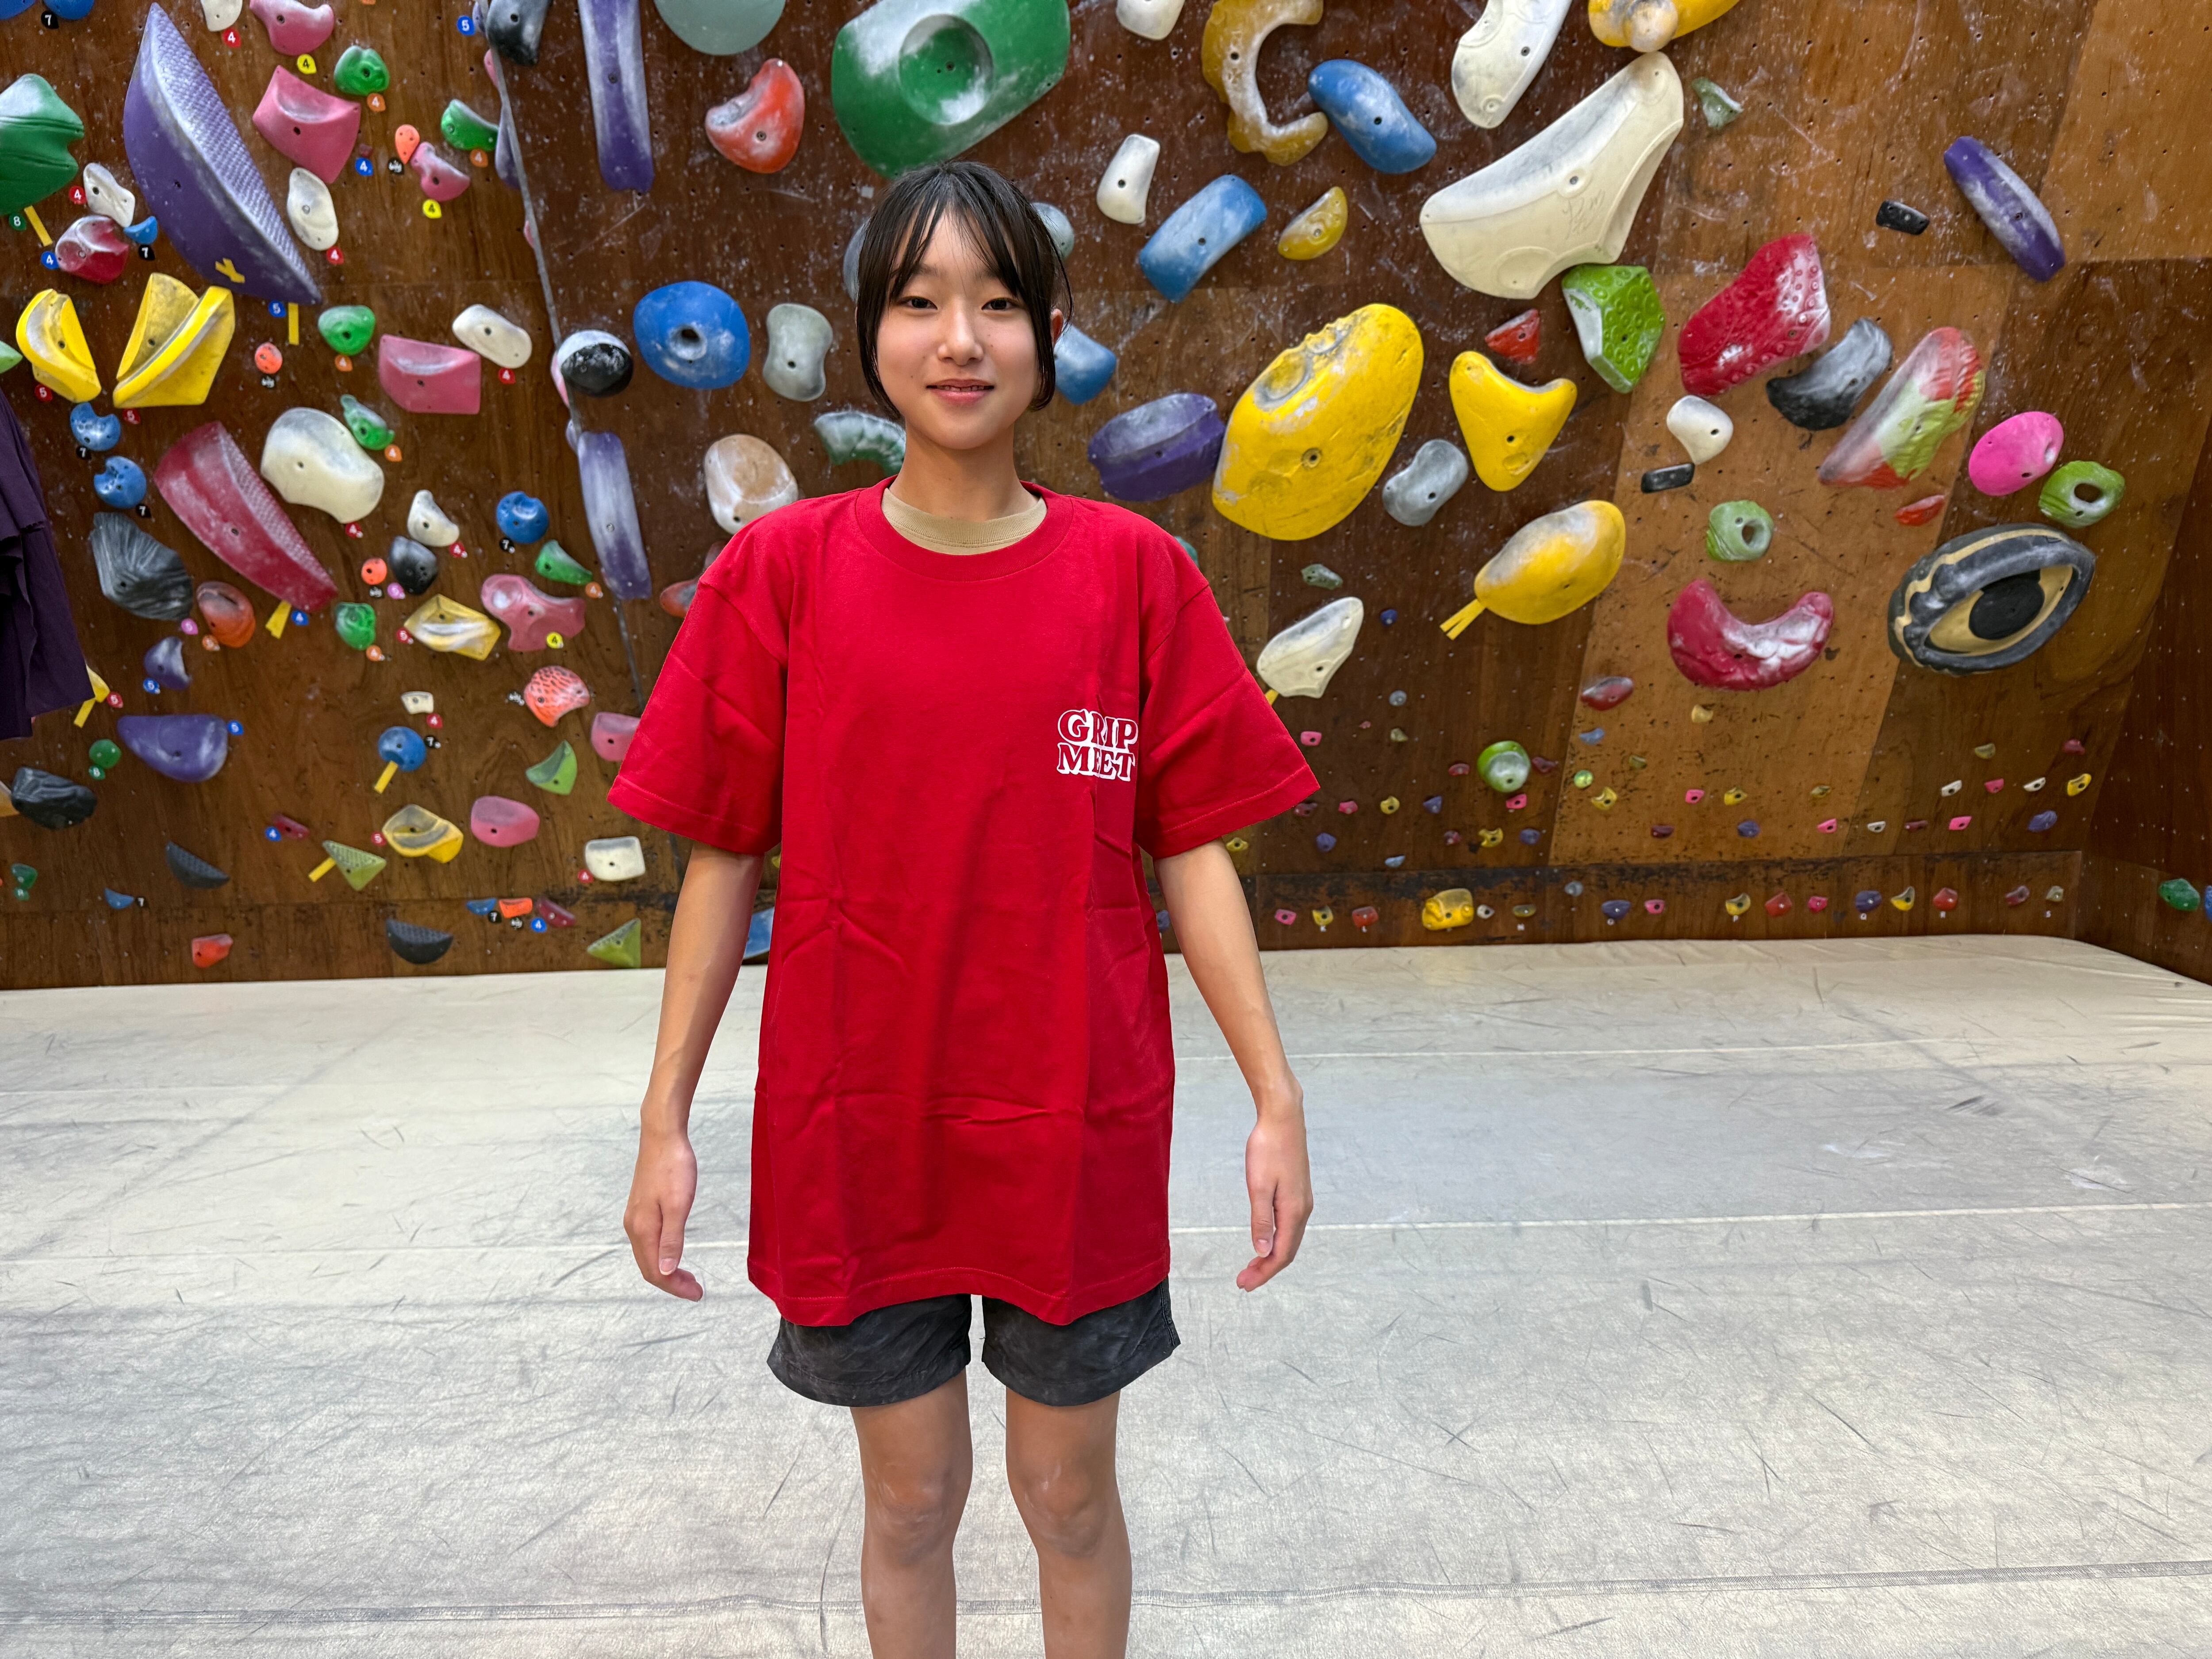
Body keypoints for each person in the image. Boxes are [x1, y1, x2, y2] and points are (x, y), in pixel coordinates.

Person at [611, 159, 1321, 1659]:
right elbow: (721, 858)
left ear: (1048, 334)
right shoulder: (782, 573)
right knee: (912, 1499)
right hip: (861, 1128)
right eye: (920, 303)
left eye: (998, 304)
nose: (959, 340)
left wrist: (1276, 1098)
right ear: (871, 332)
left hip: (1073, 1122)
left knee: (1068, 1496)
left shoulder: (1133, 578)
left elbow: (1193, 850)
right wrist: (664, 1120)